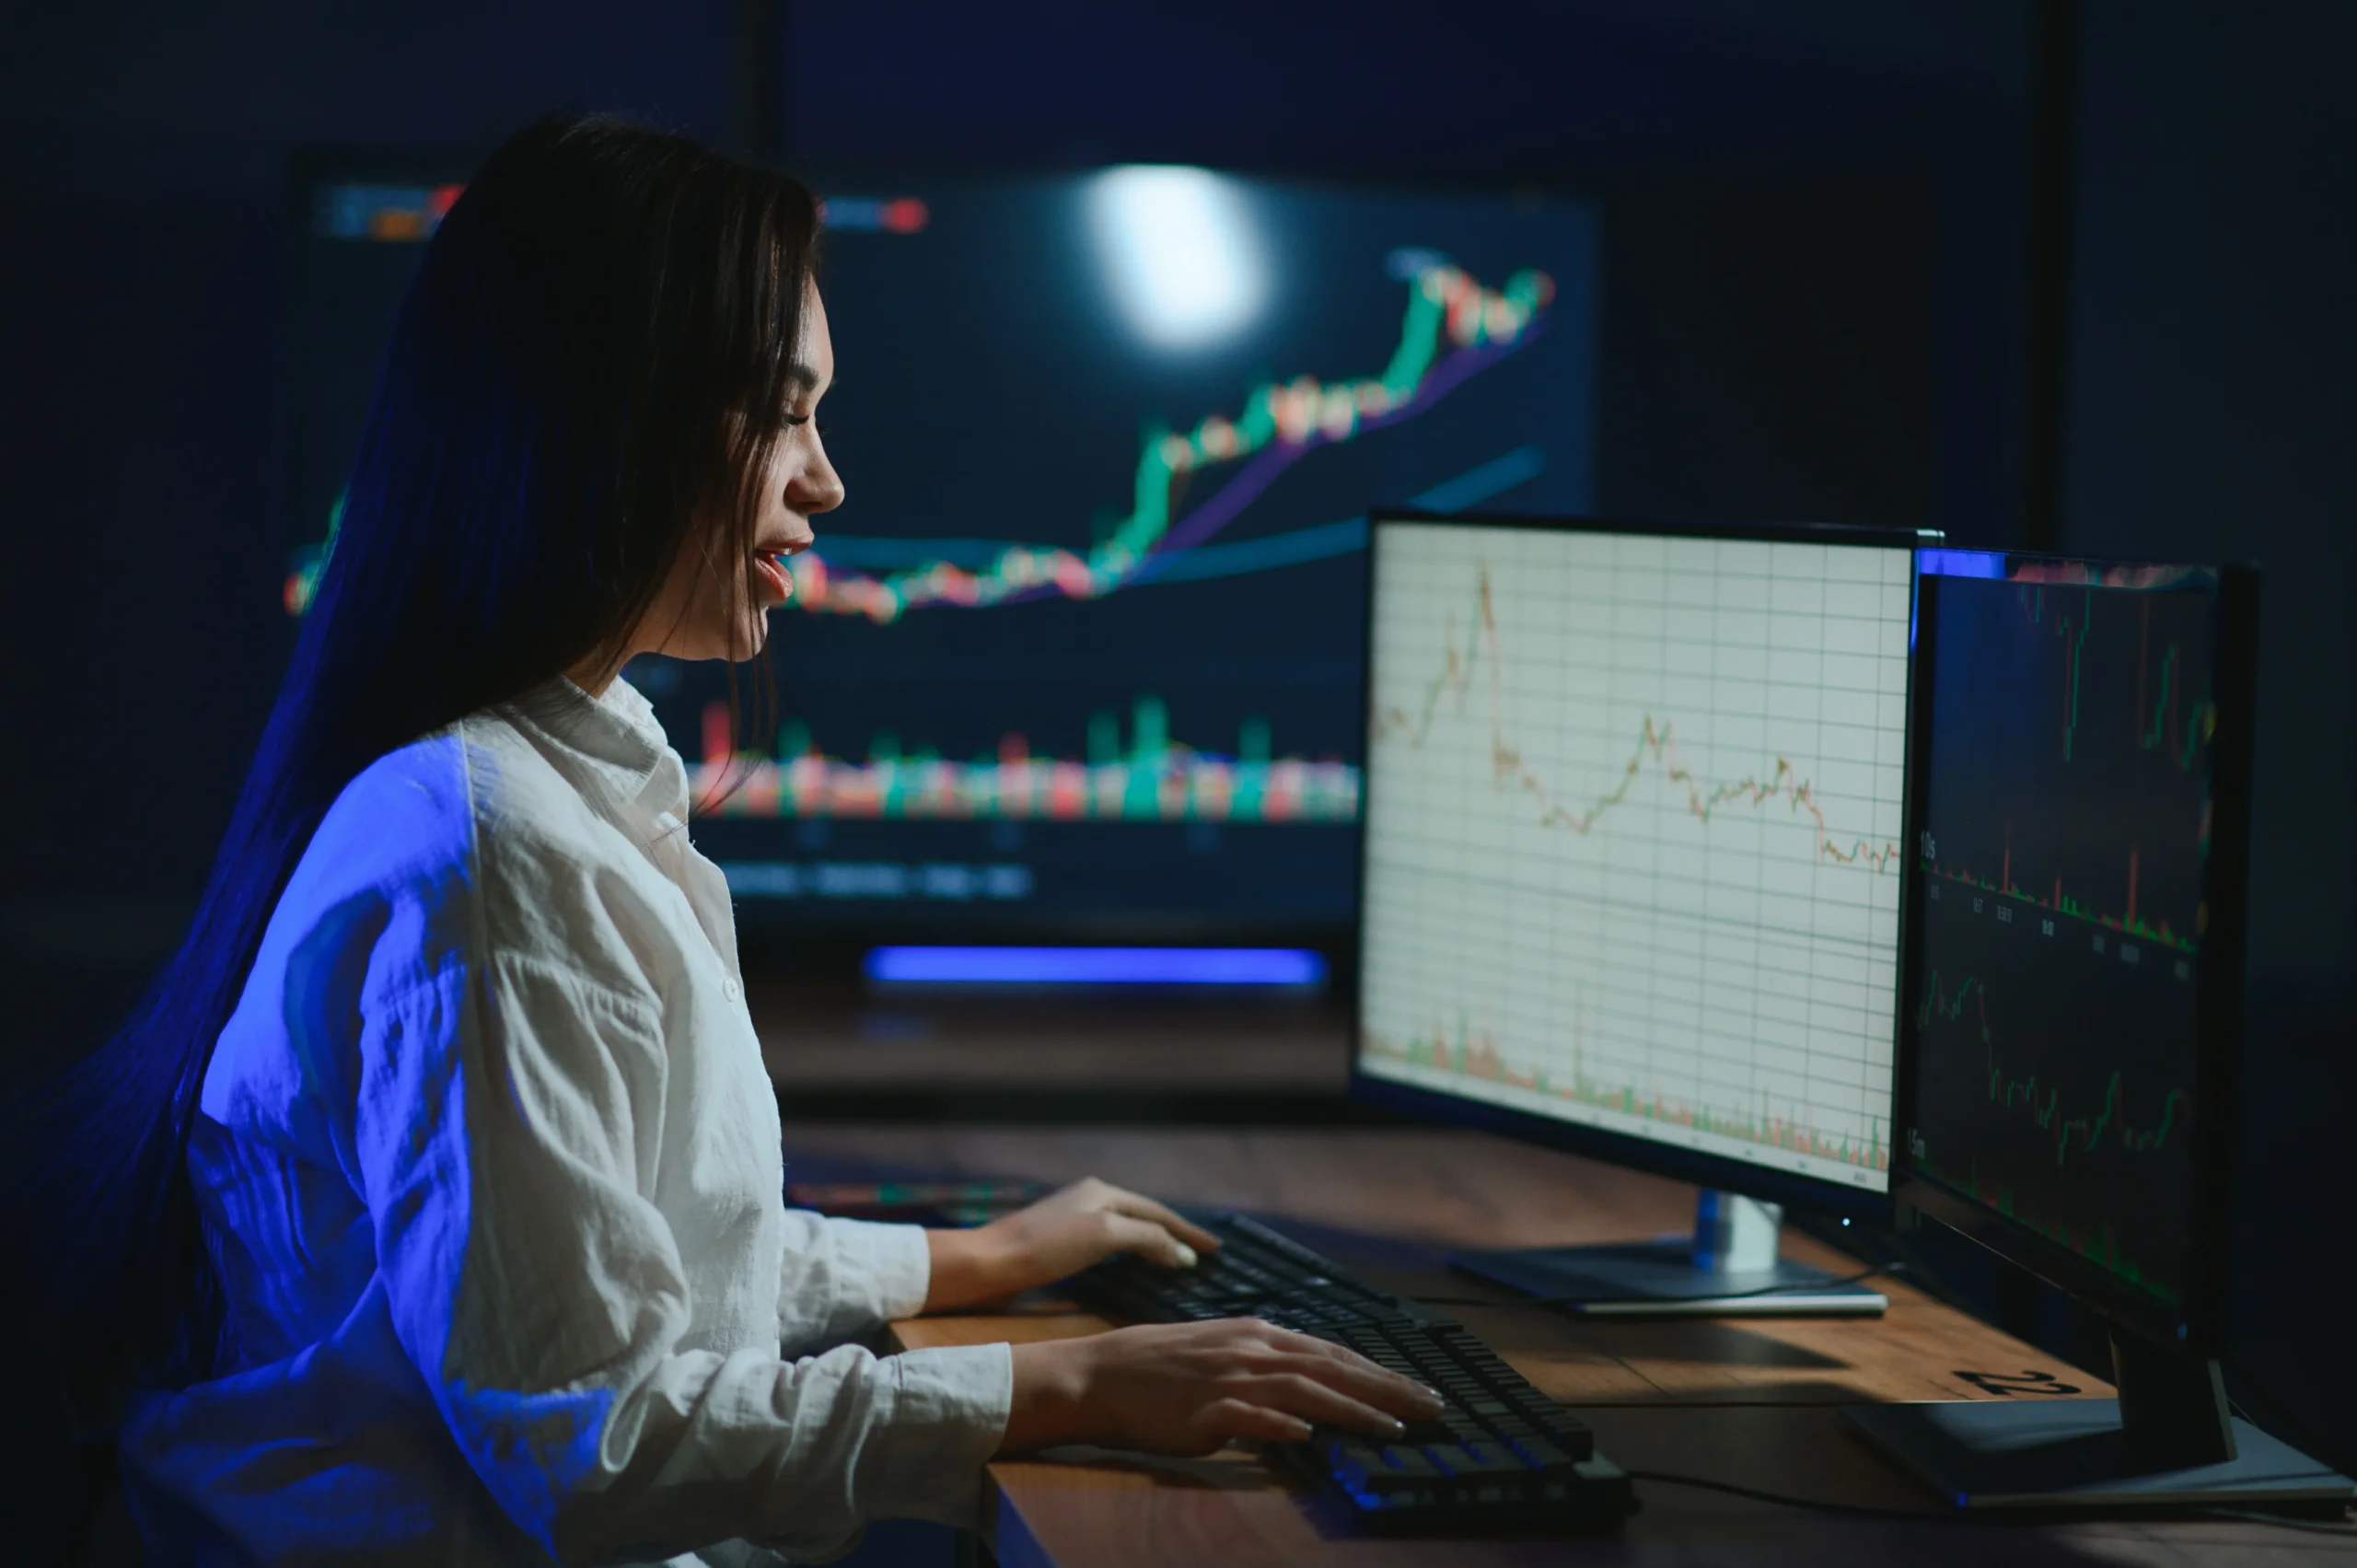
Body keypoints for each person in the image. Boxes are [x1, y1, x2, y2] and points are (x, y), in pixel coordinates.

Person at [13, 116, 1438, 1564]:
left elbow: (642, 1248)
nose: (826, 482)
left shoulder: (545, 776)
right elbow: (594, 1444)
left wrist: (977, 1258)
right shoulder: (488, 860)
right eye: (784, 411)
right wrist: (1064, 1384)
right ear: (614, 418)